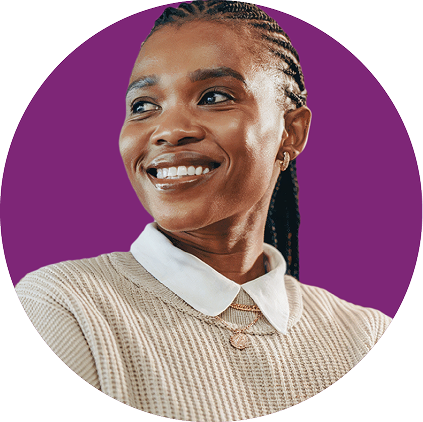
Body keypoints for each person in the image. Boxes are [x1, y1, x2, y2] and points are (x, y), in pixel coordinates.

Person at [15, 1, 392, 420]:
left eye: (214, 97)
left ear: (291, 132)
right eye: (143, 106)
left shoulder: (364, 337)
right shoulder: (63, 308)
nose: (169, 130)